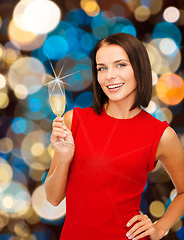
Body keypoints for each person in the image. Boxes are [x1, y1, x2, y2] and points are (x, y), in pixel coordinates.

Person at [44, 33, 184, 240]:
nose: (109, 76)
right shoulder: (74, 120)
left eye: (120, 65)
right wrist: (64, 157)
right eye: (102, 68)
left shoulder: (161, 135)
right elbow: (53, 198)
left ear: (139, 68)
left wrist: (159, 228)